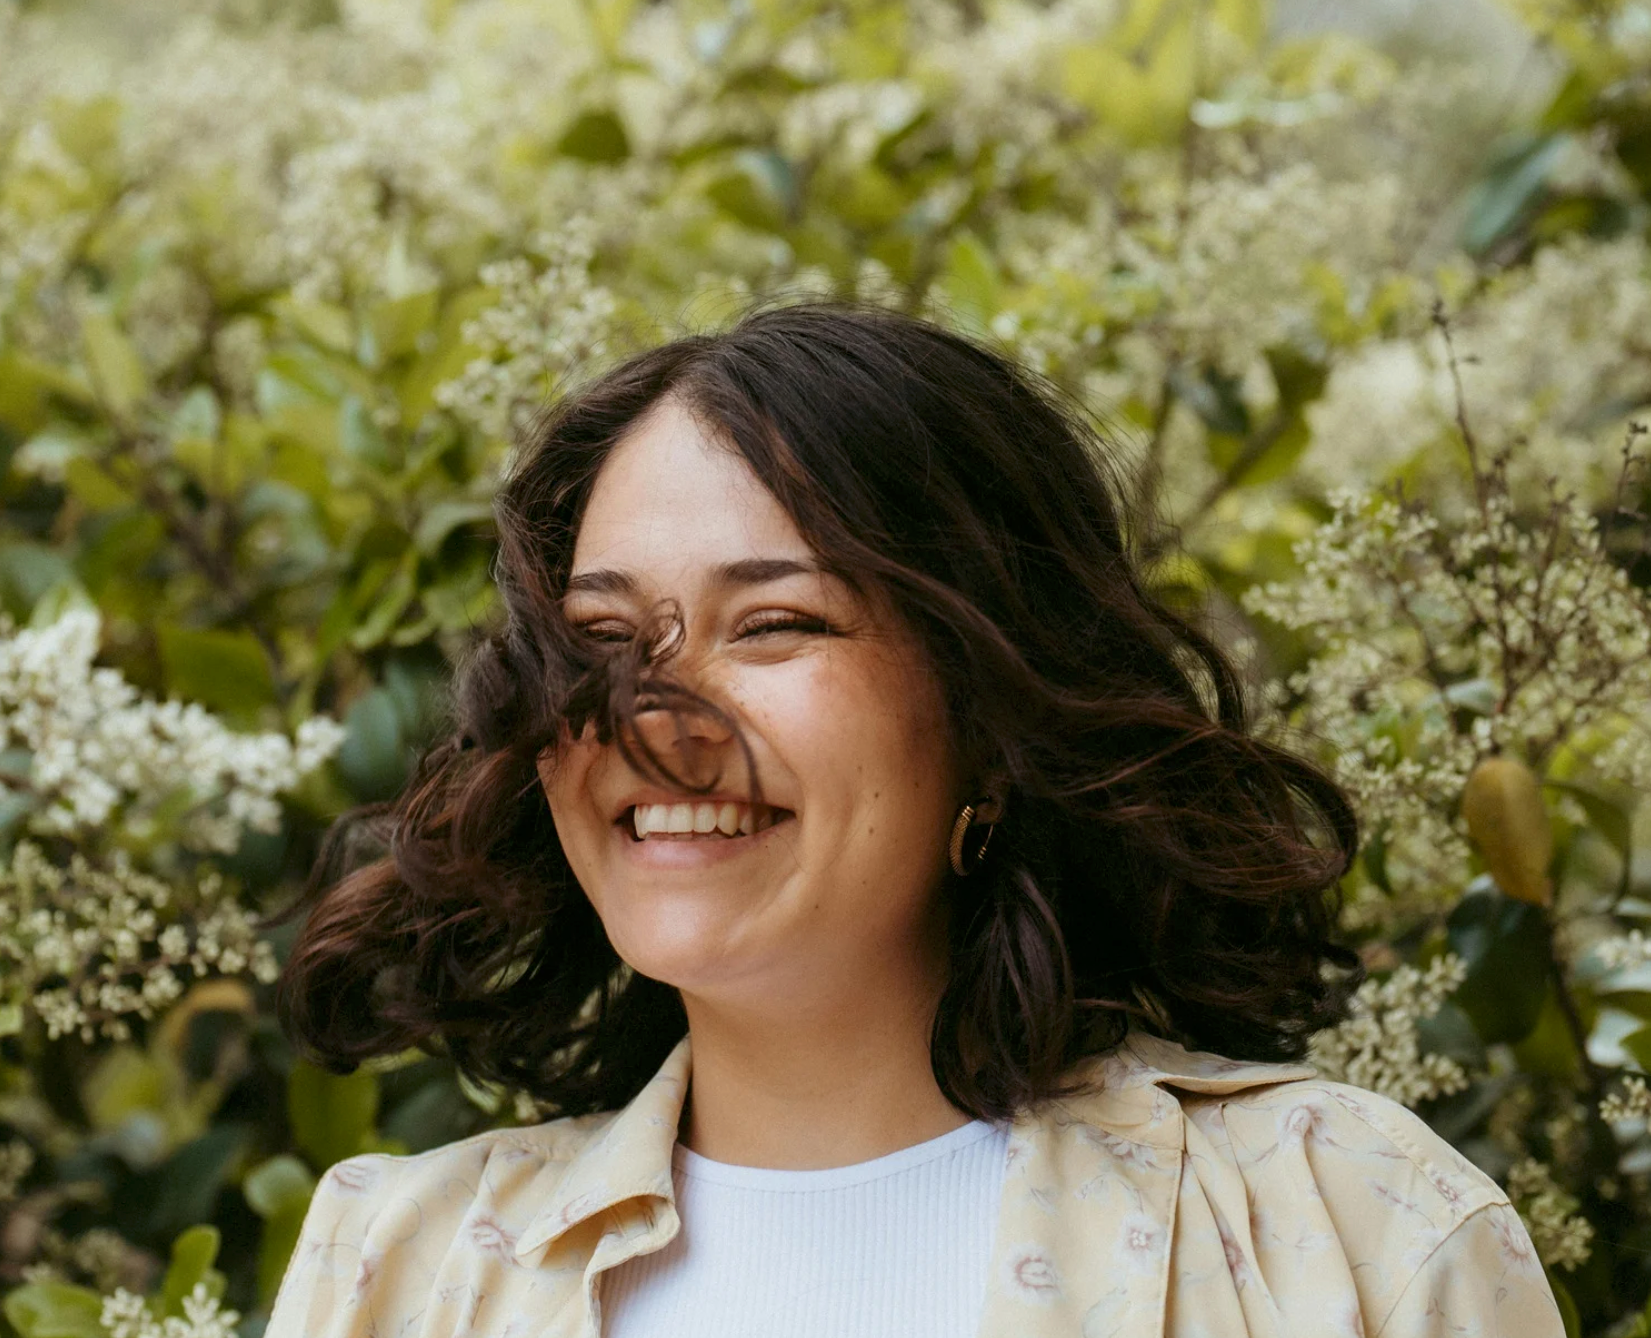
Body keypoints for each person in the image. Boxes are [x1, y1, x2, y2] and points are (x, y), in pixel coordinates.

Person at [267, 298, 1564, 1338]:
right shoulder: (395, 1269)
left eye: (774, 623)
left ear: (994, 720)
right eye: (601, 637)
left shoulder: (1353, 1225)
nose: (653, 720)